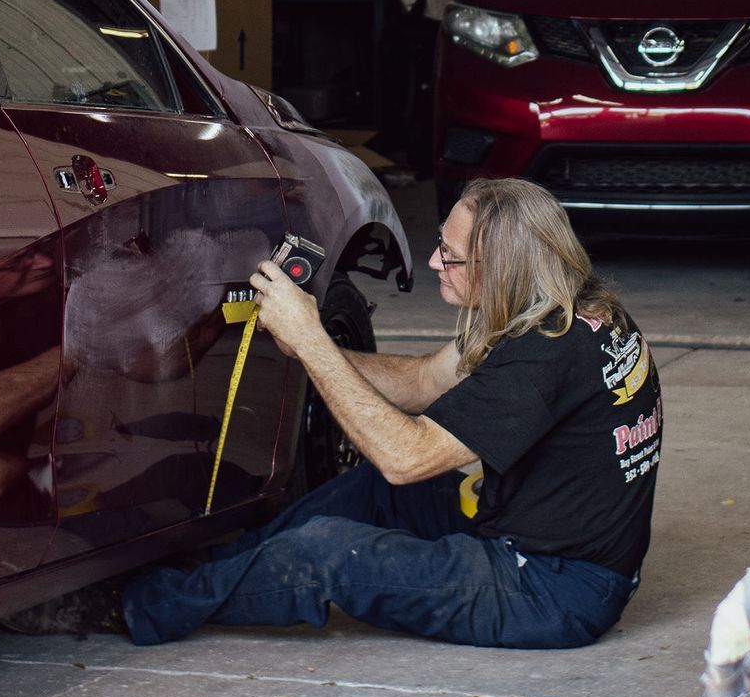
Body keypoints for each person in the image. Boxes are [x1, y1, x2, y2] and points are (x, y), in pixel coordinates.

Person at [119, 177, 664, 651]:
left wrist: (313, 341)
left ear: (499, 267)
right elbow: (426, 381)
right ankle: (205, 570)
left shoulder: (545, 353)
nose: (433, 263)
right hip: (539, 535)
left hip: (553, 588)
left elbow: (407, 457)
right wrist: (308, 350)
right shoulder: (567, 309)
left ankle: (139, 606)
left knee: (330, 553)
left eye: (449, 256)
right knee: (370, 491)